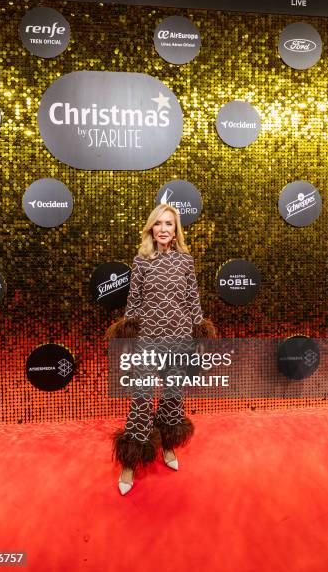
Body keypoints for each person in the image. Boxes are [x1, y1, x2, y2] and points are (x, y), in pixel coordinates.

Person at [106, 204, 215, 495]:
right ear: (151, 229)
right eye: (159, 224)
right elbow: (134, 301)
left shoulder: (185, 260)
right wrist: (130, 335)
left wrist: (198, 334)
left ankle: (167, 445)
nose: (164, 229)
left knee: (173, 396)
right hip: (148, 339)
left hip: (179, 337)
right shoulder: (141, 260)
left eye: (169, 224)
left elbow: (193, 300)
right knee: (141, 398)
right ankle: (130, 460)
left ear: (175, 229)